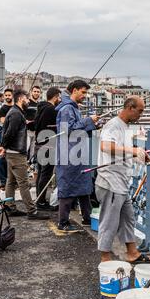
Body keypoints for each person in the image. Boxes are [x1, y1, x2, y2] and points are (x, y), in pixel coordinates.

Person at [95, 96, 150, 263]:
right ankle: (105, 258)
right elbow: (105, 146)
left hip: (120, 183)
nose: (141, 115)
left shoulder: (125, 127)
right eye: (140, 111)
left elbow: (122, 153)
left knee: (128, 218)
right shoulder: (113, 125)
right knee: (109, 221)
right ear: (130, 107)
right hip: (110, 182)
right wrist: (133, 150)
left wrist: (137, 156)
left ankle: (132, 252)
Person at [0, 89, 49, 220]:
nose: (28, 101)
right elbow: (9, 133)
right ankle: (32, 211)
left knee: (11, 181)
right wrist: (4, 146)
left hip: (12, 152)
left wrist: (5, 147)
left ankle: (10, 207)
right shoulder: (16, 114)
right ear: (21, 99)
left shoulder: (16, 112)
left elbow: (9, 132)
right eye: (26, 99)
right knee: (24, 183)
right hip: (16, 153)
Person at [56, 80, 99, 233]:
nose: (85, 96)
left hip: (78, 154)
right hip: (69, 155)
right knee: (68, 187)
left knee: (84, 187)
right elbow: (68, 130)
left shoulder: (73, 108)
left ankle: (88, 218)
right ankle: (63, 222)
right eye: (83, 92)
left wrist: (92, 124)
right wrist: (88, 121)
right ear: (74, 90)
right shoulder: (67, 109)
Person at [35, 87, 61, 210]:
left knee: (41, 173)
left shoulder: (41, 107)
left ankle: (39, 199)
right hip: (48, 145)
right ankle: (40, 202)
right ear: (55, 97)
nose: (60, 100)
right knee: (46, 174)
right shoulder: (52, 109)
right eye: (59, 97)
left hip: (39, 143)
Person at [0, 89, 14, 190]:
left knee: (4, 160)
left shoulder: (17, 107)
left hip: (17, 138)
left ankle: (7, 182)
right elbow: (3, 121)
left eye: (9, 95)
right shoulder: (3, 108)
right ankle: (3, 182)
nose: (7, 97)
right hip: (5, 135)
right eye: (6, 95)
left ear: (12, 96)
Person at [25, 85, 41, 162]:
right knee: (25, 149)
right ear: (31, 92)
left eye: (38, 92)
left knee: (32, 152)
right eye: (34, 91)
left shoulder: (39, 104)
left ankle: (28, 166)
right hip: (26, 131)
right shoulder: (27, 103)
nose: (36, 93)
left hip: (35, 132)